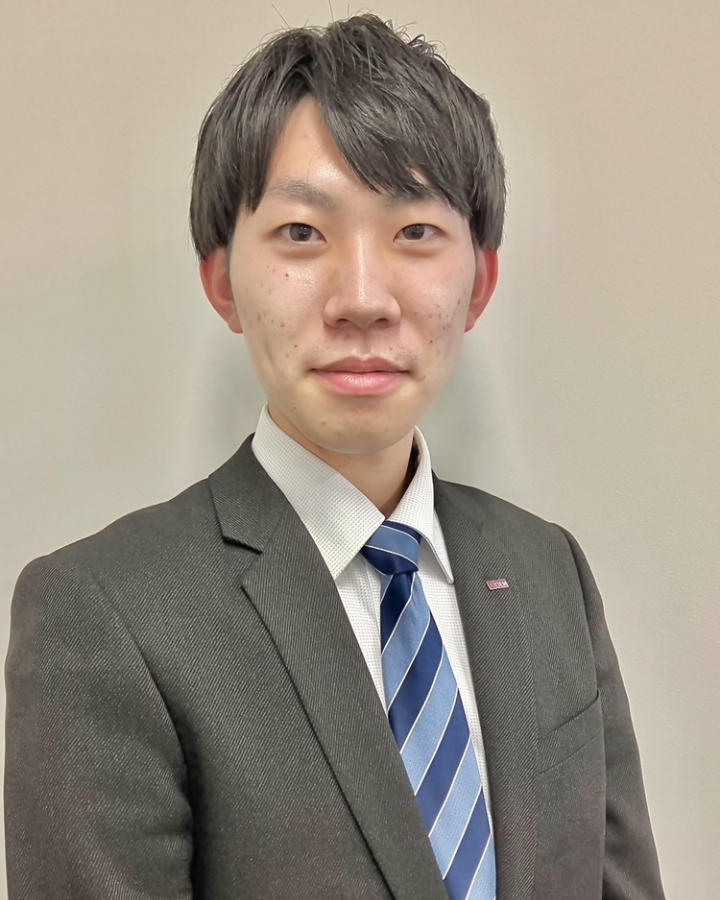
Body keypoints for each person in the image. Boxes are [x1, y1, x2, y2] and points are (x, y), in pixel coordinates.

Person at [4, 13, 666, 900]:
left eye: (416, 232)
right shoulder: (105, 613)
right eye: (302, 234)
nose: (362, 298)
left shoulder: (550, 573)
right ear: (221, 281)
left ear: (480, 283)